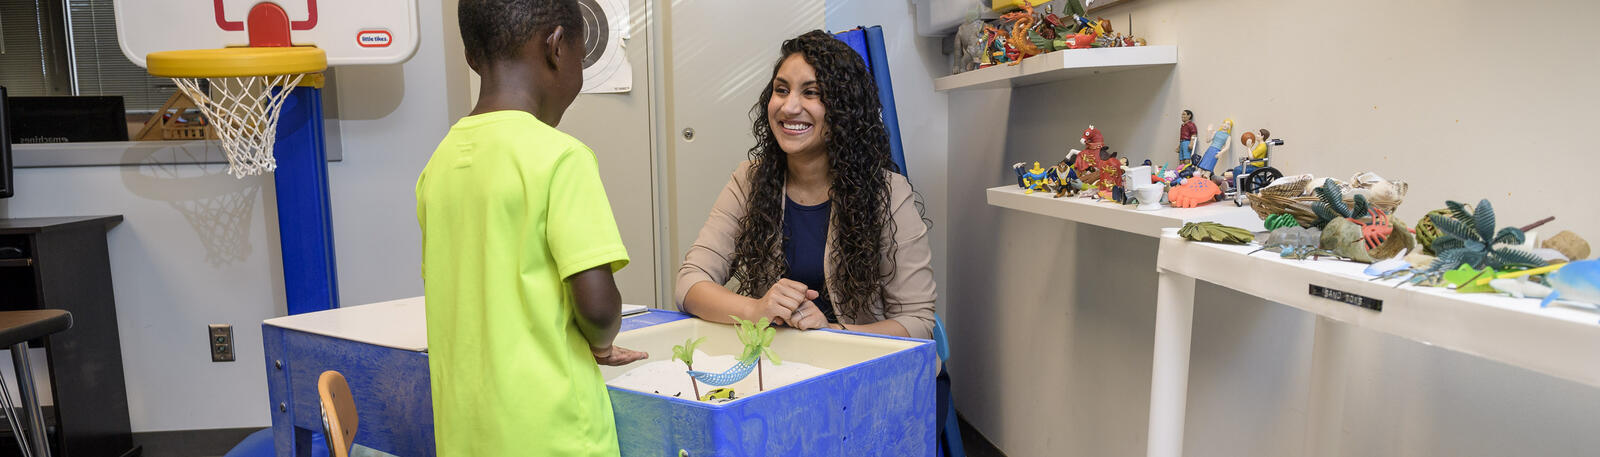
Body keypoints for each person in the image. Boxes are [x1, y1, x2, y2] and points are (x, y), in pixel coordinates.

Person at [416, 0, 645, 455]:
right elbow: (599, 309)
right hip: (556, 435)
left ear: (471, 56)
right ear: (557, 47)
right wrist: (602, 344)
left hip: (465, 435)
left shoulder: (438, 165)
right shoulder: (562, 158)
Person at [675, 31, 937, 339]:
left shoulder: (888, 193)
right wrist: (756, 310)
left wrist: (833, 332)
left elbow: (918, 323)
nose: (789, 107)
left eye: (811, 93)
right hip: (778, 362)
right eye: (781, 90)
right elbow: (690, 282)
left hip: (855, 363)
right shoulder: (749, 180)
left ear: (845, 109)